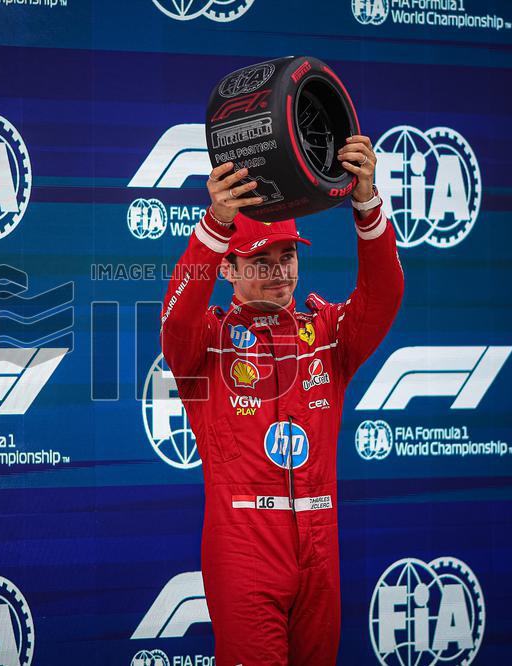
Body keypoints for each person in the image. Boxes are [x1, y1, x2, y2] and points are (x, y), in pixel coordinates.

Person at [160, 136, 404, 665]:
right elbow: (177, 318)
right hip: (244, 547)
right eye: (260, 259)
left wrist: (366, 203)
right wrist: (215, 226)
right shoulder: (206, 343)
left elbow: (384, 296)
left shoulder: (329, 334)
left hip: (320, 545)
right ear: (228, 268)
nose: (278, 270)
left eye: (287, 255)